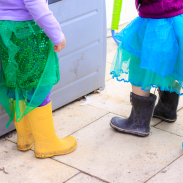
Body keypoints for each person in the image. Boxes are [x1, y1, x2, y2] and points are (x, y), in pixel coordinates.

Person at [0, 0, 77, 158]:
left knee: (15, 81)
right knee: (38, 83)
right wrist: (58, 36)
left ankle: (25, 137)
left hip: (4, 30)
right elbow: (38, 7)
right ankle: (46, 144)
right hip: (26, 32)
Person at [110, 0, 183, 137]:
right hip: (178, 16)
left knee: (140, 68)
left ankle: (138, 123)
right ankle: (167, 109)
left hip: (155, 20)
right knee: (171, 64)